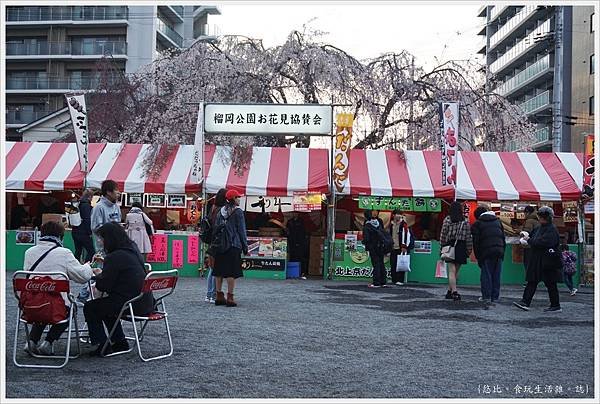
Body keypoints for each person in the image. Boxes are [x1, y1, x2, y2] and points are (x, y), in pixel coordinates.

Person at [22, 221, 97, 356]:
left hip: (30, 305)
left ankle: (32, 341)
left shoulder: (29, 252)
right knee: (67, 308)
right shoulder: (64, 253)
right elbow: (82, 276)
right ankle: (48, 342)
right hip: (56, 305)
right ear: (60, 236)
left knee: (44, 304)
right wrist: (88, 266)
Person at [83, 222, 154, 356]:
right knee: (106, 307)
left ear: (109, 239)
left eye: (102, 238)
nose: (100, 241)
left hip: (130, 305)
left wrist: (98, 274)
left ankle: (102, 344)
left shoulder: (114, 257)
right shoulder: (132, 249)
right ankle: (119, 342)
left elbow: (104, 286)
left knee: (91, 307)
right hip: (145, 302)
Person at [513, 206, 563, 312]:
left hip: (547, 260)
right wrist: (526, 236)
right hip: (541, 259)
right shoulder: (543, 228)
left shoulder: (550, 229)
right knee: (534, 281)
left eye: (542, 217)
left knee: (549, 283)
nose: (540, 219)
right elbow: (536, 239)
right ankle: (526, 302)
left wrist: (529, 240)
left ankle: (555, 305)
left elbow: (543, 242)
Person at [212, 189, 248, 307]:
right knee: (231, 273)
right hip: (233, 245)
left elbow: (216, 228)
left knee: (219, 272)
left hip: (220, 245)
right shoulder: (238, 212)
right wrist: (245, 246)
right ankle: (230, 297)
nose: (239, 199)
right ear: (233, 199)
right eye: (237, 197)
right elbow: (241, 231)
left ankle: (219, 296)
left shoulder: (220, 211)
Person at [471, 205, 506, 306]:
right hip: (499, 251)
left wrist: (478, 257)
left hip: (486, 252)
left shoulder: (478, 224)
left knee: (486, 275)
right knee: (496, 274)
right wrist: (502, 252)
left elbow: (476, 243)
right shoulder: (498, 221)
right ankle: (495, 296)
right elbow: (503, 239)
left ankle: (486, 296)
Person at [439, 201, 473, 301]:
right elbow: (469, 237)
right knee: (456, 271)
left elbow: (443, 235)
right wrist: (469, 250)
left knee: (451, 271)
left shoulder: (448, 220)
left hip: (450, 245)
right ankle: (450, 291)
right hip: (461, 247)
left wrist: (441, 248)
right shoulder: (465, 221)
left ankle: (454, 292)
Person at [205, 188, 227, 303]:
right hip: (218, 241)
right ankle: (213, 294)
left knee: (212, 268)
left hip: (211, 241)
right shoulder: (222, 210)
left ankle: (209, 294)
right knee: (216, 269)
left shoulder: (213, 208)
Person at [90, 179, 122, 247]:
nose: (119, 193)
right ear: (108, 192)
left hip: (117, 244)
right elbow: (96, 228)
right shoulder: (98, 207)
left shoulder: (116, 206)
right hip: (104, 247)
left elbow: (118, 222)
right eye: (116, 190)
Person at [363, 209, 387, 288]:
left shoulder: (367, 223)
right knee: (381, 263)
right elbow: (383, 233)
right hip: (380, 245)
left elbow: (366, 237)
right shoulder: (379, 221)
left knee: (376, 263)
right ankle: (383, 282)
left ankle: (376, 282)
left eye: (376, 211)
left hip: (373, 246)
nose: (375, 213)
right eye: (373, 211)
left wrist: (366, 244)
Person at [389, 210, 414, 286]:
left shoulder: (404, 224)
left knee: (401, 263)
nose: (398, 216)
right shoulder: (391, 224)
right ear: (393, 215)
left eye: (399, 214)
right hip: (393, 247)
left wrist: (404, 246)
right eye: (396, 214)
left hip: (401, 247)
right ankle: (394, 279)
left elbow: (406, 235)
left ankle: (400, 280)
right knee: (393, 263)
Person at [72, 189, 95, 263]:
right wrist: (90, 232)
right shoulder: (86, 205)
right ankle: (86, 267)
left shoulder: (78, 204)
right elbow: (87, 219)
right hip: (84, 233)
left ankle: (75, 268)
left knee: (78, 251)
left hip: (75, 231)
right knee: (91, 252)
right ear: (90, 197)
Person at [521, 205, 539, 285]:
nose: (524, 215)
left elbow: (526, 233)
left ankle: (530, 281)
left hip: (529, 245)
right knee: (533, 264)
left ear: (527, 212)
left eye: (525, 213)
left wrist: (520, 232)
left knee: (528, 264)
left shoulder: (529, 221)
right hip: (536, 245)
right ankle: (534, 280)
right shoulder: (538, 220)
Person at [286, 212, 308, 279]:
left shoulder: (301, 221)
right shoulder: (290, 221)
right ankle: (292, 272)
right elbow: (287, 231)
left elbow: (304, 232)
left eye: (296, 213)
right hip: (291, 242)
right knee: (292, 256)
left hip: (300, 242)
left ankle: (302, 272)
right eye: (293, 213)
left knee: (300, 257)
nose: (294, 214)